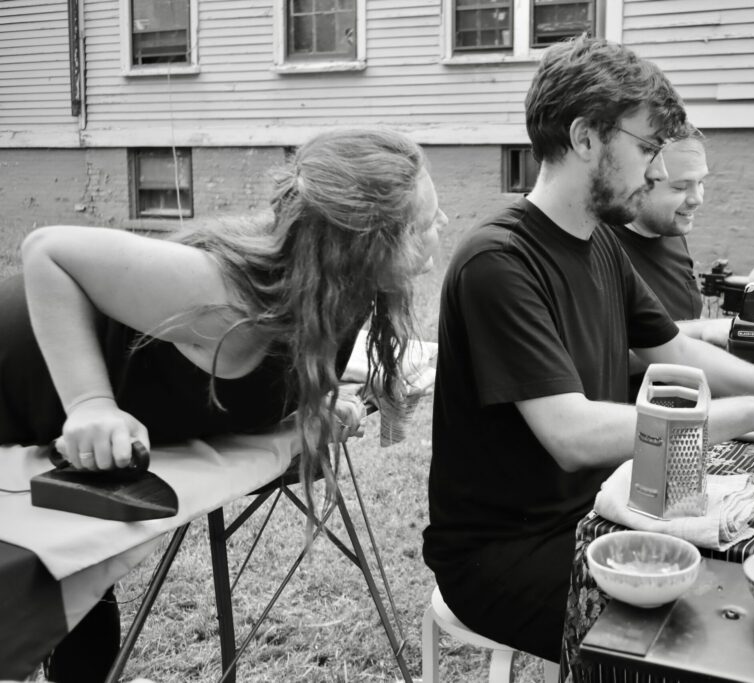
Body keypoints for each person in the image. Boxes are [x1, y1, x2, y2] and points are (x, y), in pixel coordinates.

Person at [424, 36, 754, 664]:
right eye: (647, 148)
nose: (654, 170)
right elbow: (575, 434)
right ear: (586, 137)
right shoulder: (498, 262)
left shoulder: (600, 242)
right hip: (506, 554)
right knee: (728, 634)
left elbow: (676, 351)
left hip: (602, 510)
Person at [0, 127, 446, 681]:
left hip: (62, 422)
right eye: (424, 223)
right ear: (366, 242)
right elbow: (47, 252)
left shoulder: (340, 288)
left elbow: (265, 383)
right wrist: (90, 403)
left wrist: (310, 409)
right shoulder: (230, 298)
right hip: (15, 374)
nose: (441, 227)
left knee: (84, 586)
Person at [608, 129, 732, 349]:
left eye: (701, 182)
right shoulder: (602, 249)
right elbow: (607, 355)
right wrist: (703, 333)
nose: (697, 199)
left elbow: (687, 315)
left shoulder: (672, 234)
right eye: (680, 187)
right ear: (637, 183)